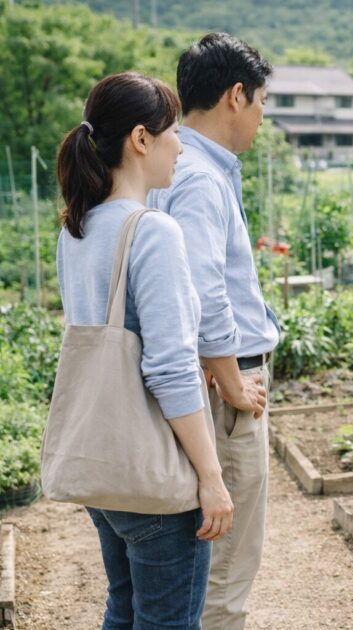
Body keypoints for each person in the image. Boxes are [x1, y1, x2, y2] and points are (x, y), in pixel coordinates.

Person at [55, 72, 234, 628]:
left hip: (104, 468)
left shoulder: (77, 229)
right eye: (172, 131)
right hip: (153, 479)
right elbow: (171, 368)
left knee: (124, 608)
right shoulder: (153, 231)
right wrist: (211, 475)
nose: (180, 145)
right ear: (140, 139)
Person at [148, 32, 276, 630]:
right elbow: (202, 290)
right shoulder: (200, 176)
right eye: (261, 102)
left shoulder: (180, 164)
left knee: (204, 568)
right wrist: (230, 378)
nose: (260, 117)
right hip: (227, 387)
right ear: (235, 95)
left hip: (214, 381)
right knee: (224, 573)